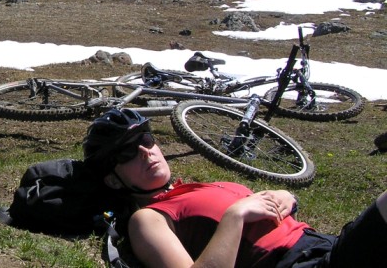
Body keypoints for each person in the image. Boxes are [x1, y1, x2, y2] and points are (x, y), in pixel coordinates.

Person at [81, 108, 387, 267]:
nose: (146, 152)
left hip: (327, 244)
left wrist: (286, 197)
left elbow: (267, 210)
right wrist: (234, 217)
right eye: (127, 153)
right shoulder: (147, 219)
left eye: (146, 140)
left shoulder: (197, 188)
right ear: (112, 179)